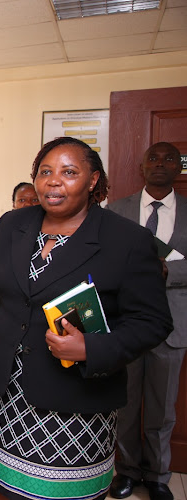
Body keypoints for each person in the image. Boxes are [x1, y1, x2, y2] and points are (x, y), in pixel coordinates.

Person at [0, 137, 172, 500]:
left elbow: (153, 322)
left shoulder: (126, 239)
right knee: (7, 490)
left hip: (78, 398)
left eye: (69, 172)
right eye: (45, 172)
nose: (53, 181)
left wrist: (93, 346)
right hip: (9, 394)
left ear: (93, 180)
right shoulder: (11, 225)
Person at [107, 142, 187, 500]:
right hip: (126, 323)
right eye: (153, 158)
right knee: (124, 404)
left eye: (169, 158)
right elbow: (103, 259)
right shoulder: (117, 210)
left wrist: (169, 267)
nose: (160, 164)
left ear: (179, 167)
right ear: (141, 166)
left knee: (162, 407)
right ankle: (125, 471)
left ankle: (157, 475)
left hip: (173, 325)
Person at [0, 182, 40, 270]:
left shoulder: (48, 236)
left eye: (35, 200)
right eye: (22, 200)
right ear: (14, 204)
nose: (28, 204)